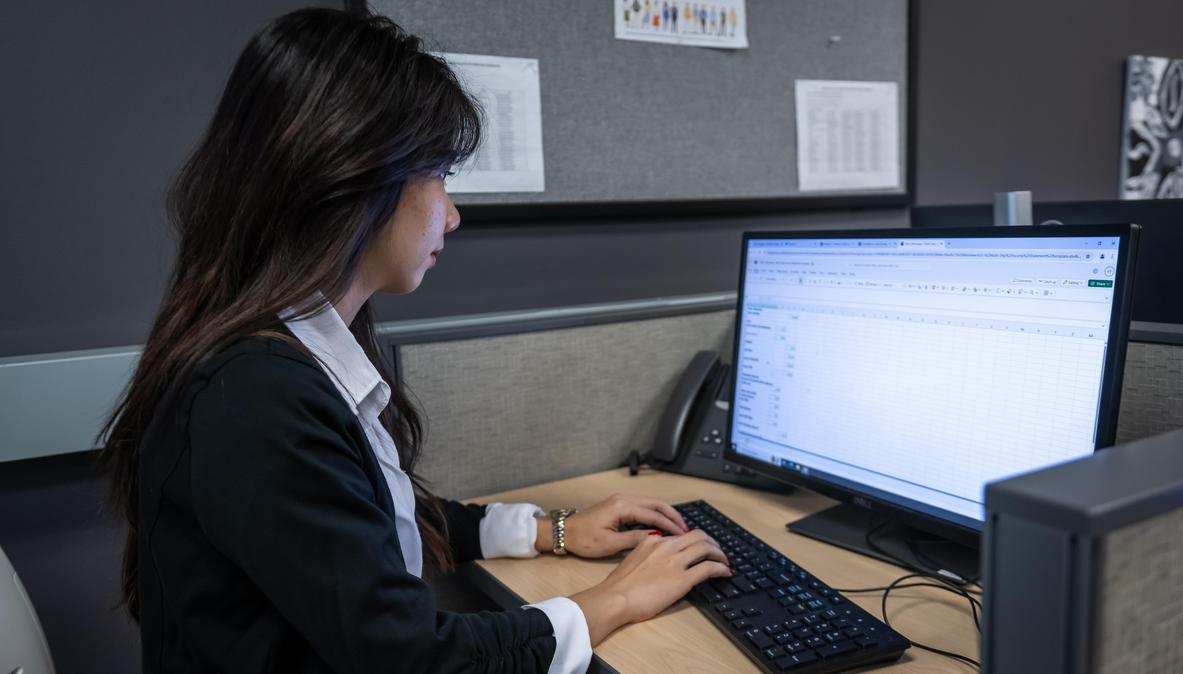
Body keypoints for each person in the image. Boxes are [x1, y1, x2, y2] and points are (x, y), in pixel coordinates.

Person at [97, 8, 730, 674]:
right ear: (349, 177)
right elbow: (412, 662)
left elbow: (365, 527)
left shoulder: (284, 350)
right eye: (438, 176)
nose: (451, 216)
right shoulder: (255, 399)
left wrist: (555, 531)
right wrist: (617, 600)